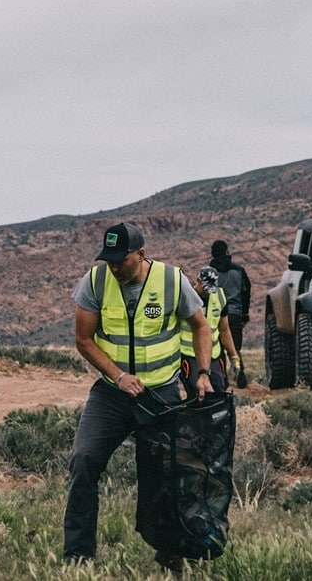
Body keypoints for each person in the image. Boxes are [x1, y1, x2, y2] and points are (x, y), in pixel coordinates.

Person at [64, 222, 214, 574]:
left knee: (166, 477)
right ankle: (77, 558)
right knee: (83, 461)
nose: (115, 267)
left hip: (161, 394)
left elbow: (201, 326)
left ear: (141, 254)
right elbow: (83, 340)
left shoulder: (171, 281)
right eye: (109, 260)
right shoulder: (95, 282)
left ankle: (170, 553)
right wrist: (118, 376)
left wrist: (204, 373)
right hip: (112, 394)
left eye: (122, 260)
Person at [180, 266, 240, 394]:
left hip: (213, 354)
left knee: (218, 390)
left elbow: (224, 330)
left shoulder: (220, 296)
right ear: (198, 281)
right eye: (205, 289)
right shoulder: (186, 297)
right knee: (196, 391)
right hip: (190, 354)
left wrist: (233, 356)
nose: (207, 293)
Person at [209, 240, 251, 388]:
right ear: (226, 251)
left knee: (219, 349)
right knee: (235, 348)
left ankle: (223, 379)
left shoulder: (209, 272)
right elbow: (246, 292)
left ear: (213, 253)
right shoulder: (239, 270)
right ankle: (240, 373)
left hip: (216, 315)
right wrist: (244, 313)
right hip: (235, 314)